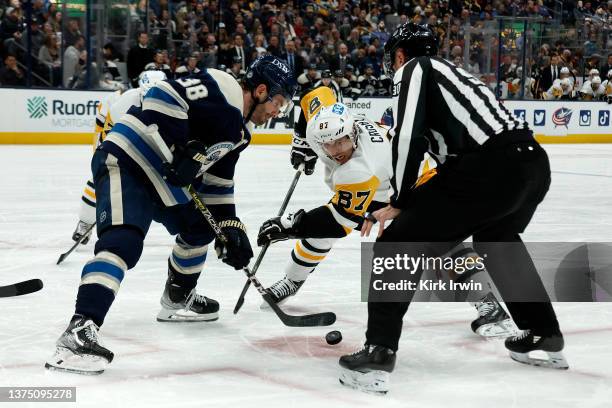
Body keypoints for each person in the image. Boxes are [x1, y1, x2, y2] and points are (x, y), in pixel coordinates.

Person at [338, 23, 567, 395]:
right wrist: (408, 201)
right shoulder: (455, 76)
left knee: (397, 243)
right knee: (499, 240)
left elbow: (408, 138)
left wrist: (399, 202)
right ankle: (543, 332)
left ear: (399, 54)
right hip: (531, 165)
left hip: (490, 169)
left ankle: (379, 350)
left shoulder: (415, 69)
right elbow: (447, 174)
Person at [46, 56, 297, 375]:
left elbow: (218, 186)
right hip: (130, 161)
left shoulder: (240, 134)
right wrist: (183, 146)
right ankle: (78, 331)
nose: (278, 112)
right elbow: (160, 96)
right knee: (123, 241)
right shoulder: (223, 88)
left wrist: (231, 228)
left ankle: (177, 296)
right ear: (261, 90)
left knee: (201, 229)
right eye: (279, 102)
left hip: (163, 179)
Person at [71, 70, 168, 245]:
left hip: (139, 130)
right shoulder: (122, 105)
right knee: (102, 175)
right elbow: (115, 140)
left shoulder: (170, 100)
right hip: (110, 128)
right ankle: (84, 223)